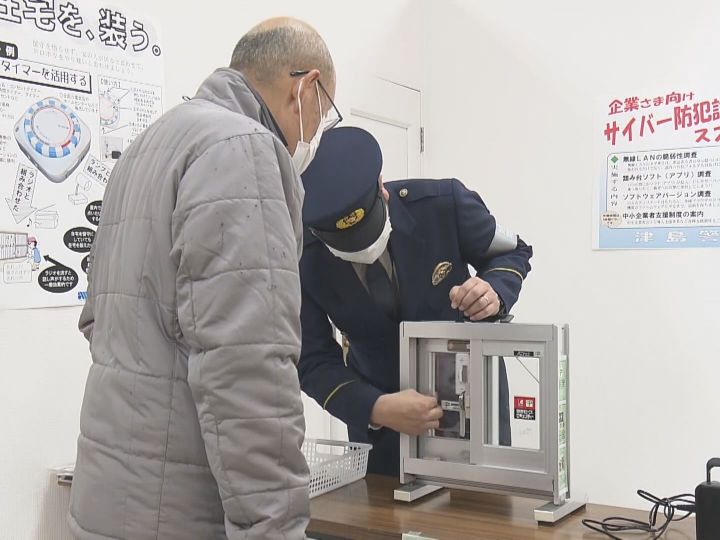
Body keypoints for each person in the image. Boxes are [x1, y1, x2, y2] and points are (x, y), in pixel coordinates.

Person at [69, 18, 340, 540]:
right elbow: (248, 367)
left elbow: (96, 320)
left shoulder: (149, 145)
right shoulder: (244, 148)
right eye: (323, 113)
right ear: (305, 87)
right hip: (177, 510)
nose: (316, 132)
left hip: (105, 495)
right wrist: (275, 528)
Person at [298, 127, 533, 475]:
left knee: (482, 506)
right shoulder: (305, 257)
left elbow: (512, 251)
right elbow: (312, 360)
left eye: (367, 231)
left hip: (472, 409)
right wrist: (376, 408)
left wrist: (494, 291)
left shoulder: (442, 204)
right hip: (382, 432)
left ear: (382, 188)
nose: (363, 249)